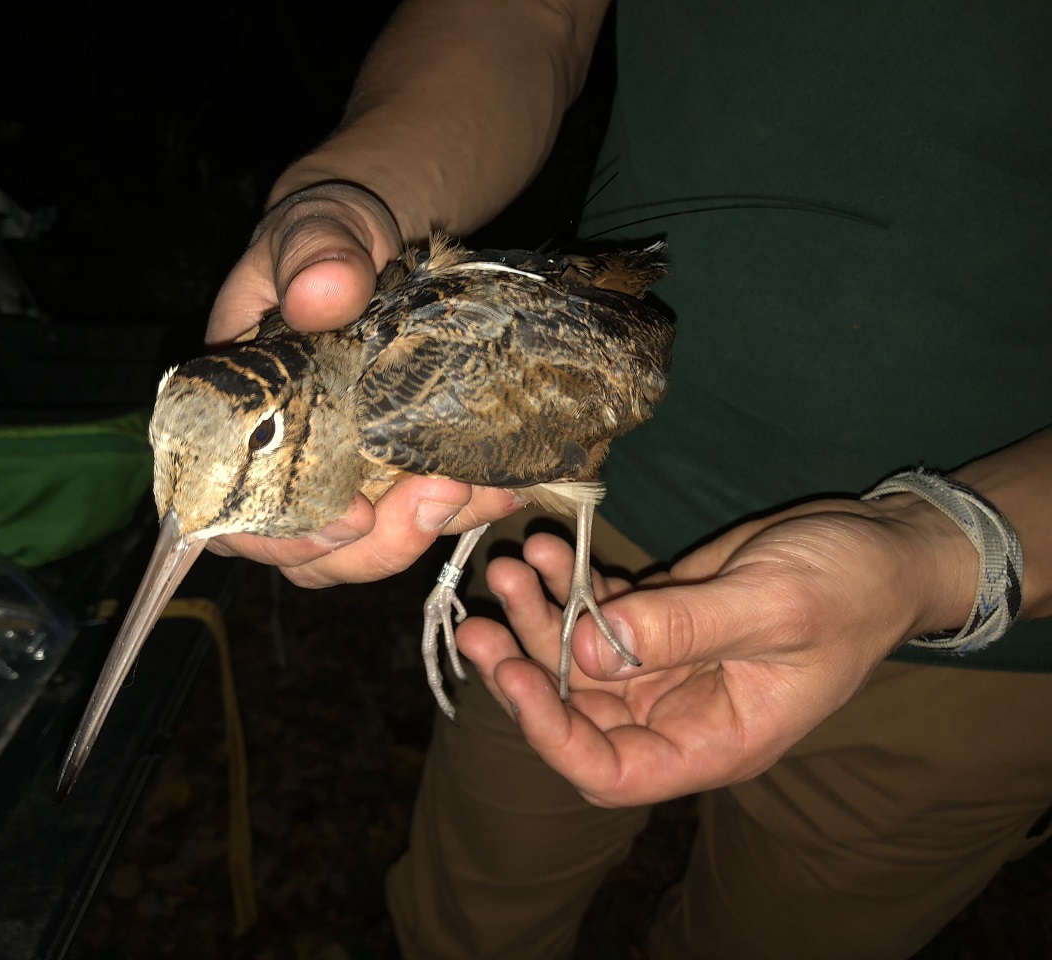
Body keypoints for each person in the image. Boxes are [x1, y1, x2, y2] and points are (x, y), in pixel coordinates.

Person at [204, 1, 1052, 957]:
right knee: (468, 923)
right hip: (571, 566)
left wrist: (943, 555)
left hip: (985, 644)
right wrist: (342, 204)